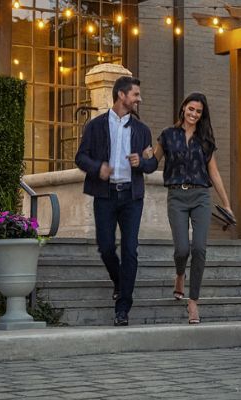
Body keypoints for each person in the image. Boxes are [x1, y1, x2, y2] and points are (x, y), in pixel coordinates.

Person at [75, 76, 157, 326]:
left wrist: (141, 163)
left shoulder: (142, 130)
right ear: (122, 95)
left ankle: (123, 308)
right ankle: (120, 282)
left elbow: (152, 163)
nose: (139, 99)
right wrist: (97, 167)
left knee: (130, 250)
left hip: (132, 198)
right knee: (106, 247)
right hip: (105, 195)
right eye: (135, 94)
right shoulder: (96, 126)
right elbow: (80, 157)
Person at [151, 92, 233, 324]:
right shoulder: (168, 135)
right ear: (183, 108)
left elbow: (214, 173)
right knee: (182, 249)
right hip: (176, 196)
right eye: (191, 109)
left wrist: (227, 204)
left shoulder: (204, 140)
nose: (194, 114)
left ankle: (193, 302)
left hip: (200, 196)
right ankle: (180, 274)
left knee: (199, 248)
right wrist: (143, 157)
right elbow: (152, 163)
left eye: (198, 111)